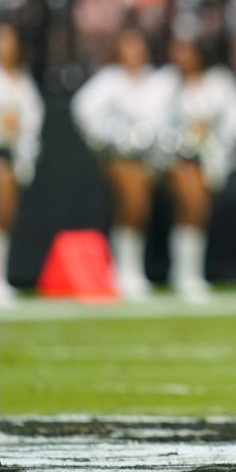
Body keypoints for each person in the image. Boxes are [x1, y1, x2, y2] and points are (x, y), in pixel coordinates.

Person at [154, 35, 236, 301]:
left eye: (186, 49)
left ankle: (187, 274)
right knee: (191, 206)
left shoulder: (219, 82)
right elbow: (150, 118)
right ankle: (186, 275)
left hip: (210, 158)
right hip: (174, 157)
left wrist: (214, 133)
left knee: (197, 213)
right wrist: (178, 137)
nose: (181, 56)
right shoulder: (164, 82)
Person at [71, 27, 166, 301]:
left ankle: (132, 270)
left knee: (140, 211)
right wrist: (108, 140)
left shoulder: (157, 81)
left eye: (138, 47)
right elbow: (83, 109)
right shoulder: (109, 80)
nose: (134, 53)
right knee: (131, 205)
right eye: (128, 47)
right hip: (121, 156)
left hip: (151, 156)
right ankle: (123, 272)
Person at [0, 22, 44, 306]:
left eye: (10, 40)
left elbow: (31, 124)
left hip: (10, 155)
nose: (6, 46)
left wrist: (25, 159)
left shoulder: (24, 82)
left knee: (5, 217)